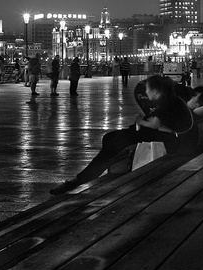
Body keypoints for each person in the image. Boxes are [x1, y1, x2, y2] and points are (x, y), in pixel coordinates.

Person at [50, 74, 193, 194]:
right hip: (172, 137)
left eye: (148, 89)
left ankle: (80, 179)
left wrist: (139, 120)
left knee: (112, 143)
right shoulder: (170, 99)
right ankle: (88, 174)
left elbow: (155, 124)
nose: (145, 92)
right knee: (110, 141)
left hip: (171, 141)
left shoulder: (163, 102)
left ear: (155, 91)